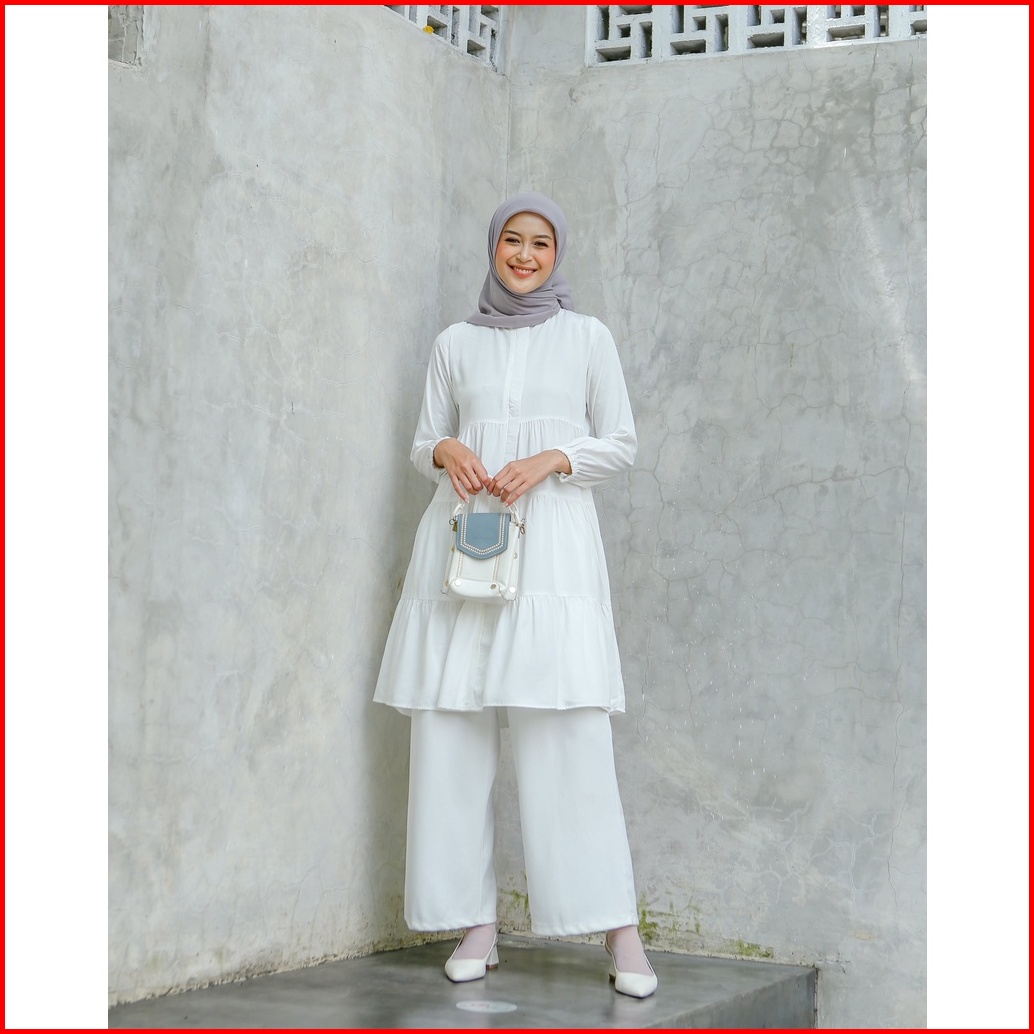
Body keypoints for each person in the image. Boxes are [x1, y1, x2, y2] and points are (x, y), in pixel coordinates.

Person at [373, 192, 657, 998]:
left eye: (540, 243)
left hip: (554, 553)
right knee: (450, 728)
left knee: (567, 732)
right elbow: (423, 442)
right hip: (463, 545)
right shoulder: (454, 342)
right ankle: (474, 921)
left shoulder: (587, 337)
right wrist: (447, 450)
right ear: (493, 247)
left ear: (556, 254)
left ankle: (618, 929)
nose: (525, 255)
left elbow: (621, 442)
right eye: (512, 240)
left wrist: (555, 459)